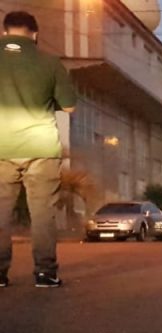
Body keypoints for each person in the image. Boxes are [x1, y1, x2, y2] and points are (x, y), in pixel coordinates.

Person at [0, 11, 77, 288]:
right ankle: (45, 273)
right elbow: (69, 106)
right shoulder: (49, 62)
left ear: (5, 31)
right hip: (41, 148)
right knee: (43, 214)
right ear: (35, 34)